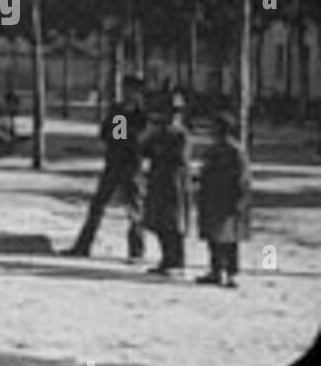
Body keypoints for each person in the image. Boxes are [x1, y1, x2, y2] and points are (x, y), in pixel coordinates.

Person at [65, 75, 146, 260]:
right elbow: (110, 135)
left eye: (131, 90)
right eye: (125, 89)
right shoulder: (118, 110)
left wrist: (123, 132)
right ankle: (83, 246)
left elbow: (135, 140)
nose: (127, 93)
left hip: (131, 166)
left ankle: (136, 250)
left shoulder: (140, 114)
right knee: (97, 206)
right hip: (114, 163)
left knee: (134, 210)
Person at [140, 90, 192, 275]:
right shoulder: (122, 112)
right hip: (129, 166)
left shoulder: (179, 133)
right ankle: (165, 257)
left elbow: (179, 157)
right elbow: (118, 139)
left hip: (170, 180)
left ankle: (136, 249)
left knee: (169, 220)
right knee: (153, 217)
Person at [196, 112, 250, 288]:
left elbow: (242, 177)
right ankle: (216, 270)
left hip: (226, 200)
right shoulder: (213, 149)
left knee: (229, 238)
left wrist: (239, 200)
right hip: (212, 198)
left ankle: (231, 272)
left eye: (215, 128)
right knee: (213, 236)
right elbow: (205, 171)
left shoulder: (235, 150)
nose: (212, 132)